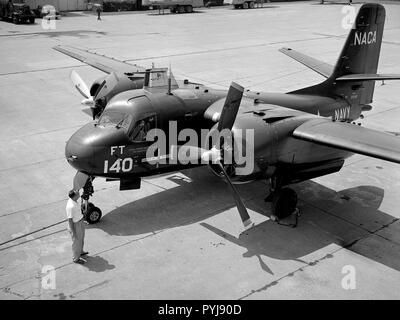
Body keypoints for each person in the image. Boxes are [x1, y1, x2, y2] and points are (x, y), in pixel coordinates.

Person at [66, 190, 88, 264]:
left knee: (81, 239)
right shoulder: (71, 206)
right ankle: (76, 258)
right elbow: (70, 220)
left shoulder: (74, 200)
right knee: (76, 242)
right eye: (77, 193)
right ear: (75, 196)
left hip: (80, 222)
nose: (79, 193)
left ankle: (81, 252)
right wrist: (73, 232)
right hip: (76, 225)